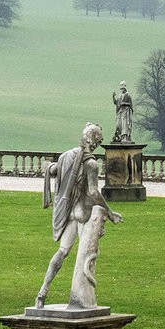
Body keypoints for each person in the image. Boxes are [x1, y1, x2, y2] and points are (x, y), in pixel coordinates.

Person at [34, 122, 123, 309]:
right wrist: (110, 212)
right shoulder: (91, 164)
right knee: (88, 254)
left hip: (69, 212)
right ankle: (83, 296)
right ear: (96, 142)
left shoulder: (67, 156)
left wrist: (50, 167)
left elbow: (52, 171)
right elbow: (93, 193)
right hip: (83, 214)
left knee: (62, 251)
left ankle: (43, 291)